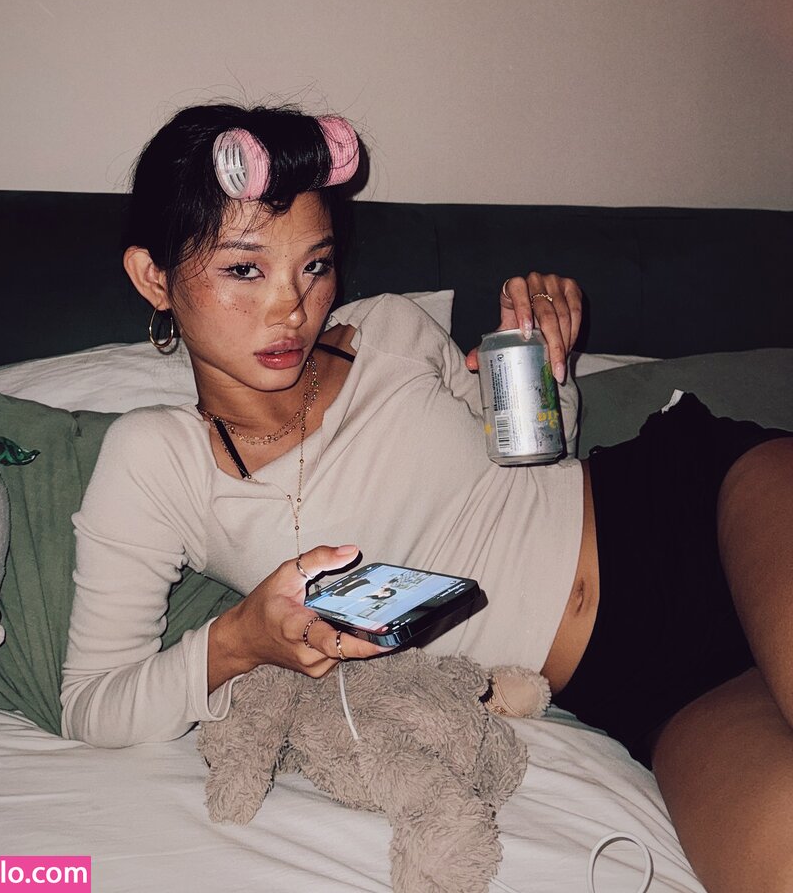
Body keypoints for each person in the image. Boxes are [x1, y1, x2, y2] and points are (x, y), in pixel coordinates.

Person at [61, 102, 793, 893]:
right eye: (245, 270)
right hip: (634, 679)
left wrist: (546, 373)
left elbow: (535, 467)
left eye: (315, 265)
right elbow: (92, 703)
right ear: (154, 278)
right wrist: (240, 641)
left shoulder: (391, 330)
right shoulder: (154, 459)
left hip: (694, 503)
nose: (291, 307)